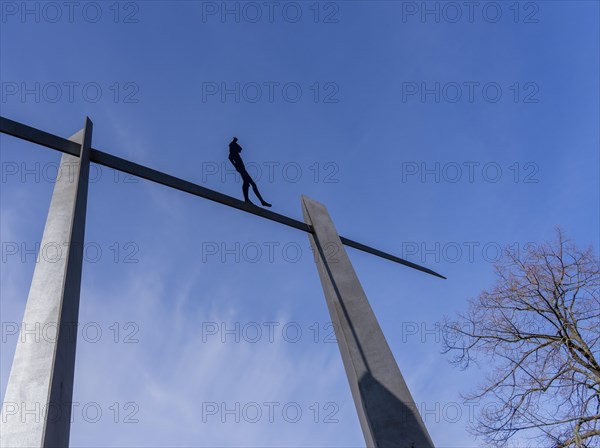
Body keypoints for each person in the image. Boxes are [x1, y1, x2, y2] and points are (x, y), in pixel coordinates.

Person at [228, 137, 272, 207]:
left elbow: (232, 155)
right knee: (252, 184)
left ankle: (247, 200)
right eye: (239, 149)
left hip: (243, 169)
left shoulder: (236, 154)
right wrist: (235, 166)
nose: (240, 151)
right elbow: (230, 157)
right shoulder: (233, 153)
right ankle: (261, 201)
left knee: (246, 184)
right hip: (241, 169)